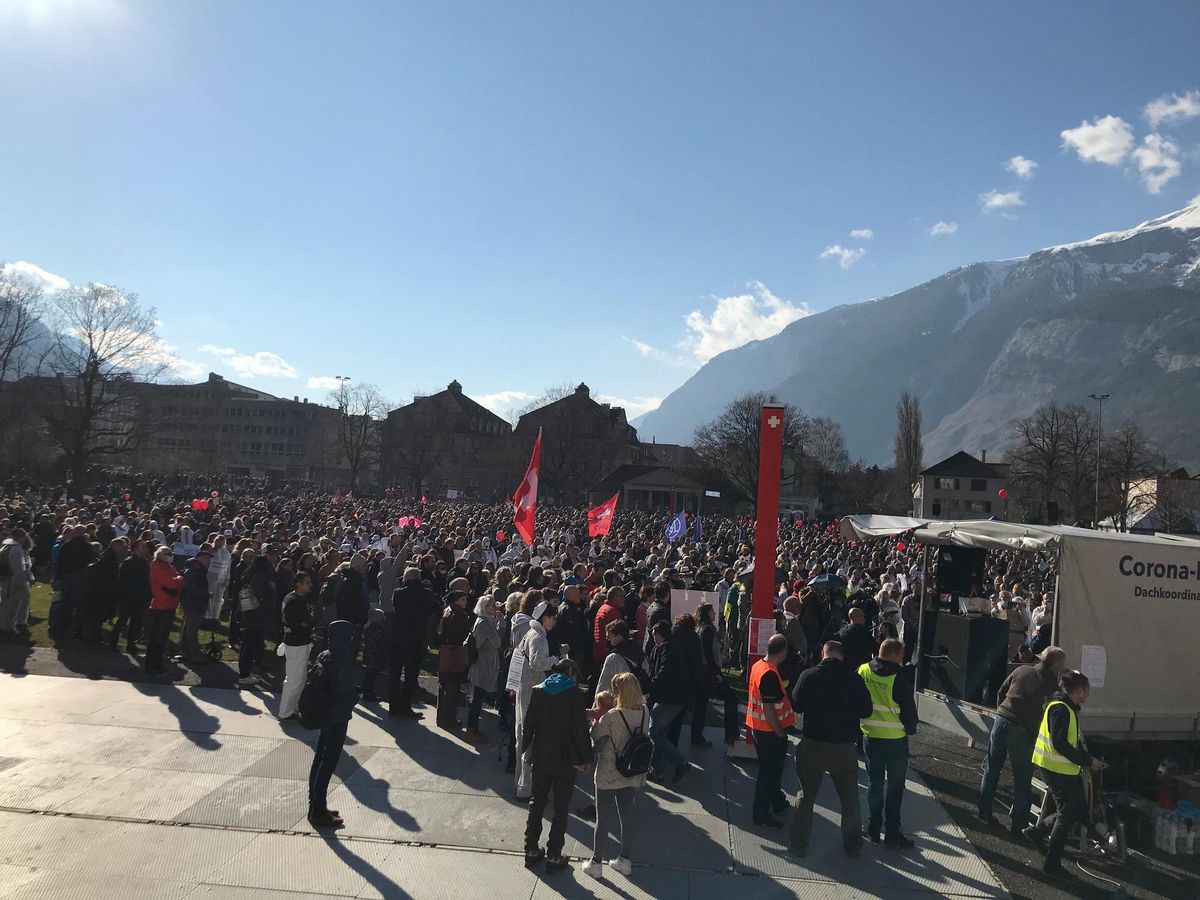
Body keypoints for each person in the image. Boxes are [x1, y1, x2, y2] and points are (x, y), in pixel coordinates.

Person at [789, 640, 872, 858]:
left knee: (806, 797)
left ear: (823, 653)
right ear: (842, 656)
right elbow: (866, 710)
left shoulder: (809, 675)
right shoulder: (854, 679)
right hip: (843, 748)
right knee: (850, 799)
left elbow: (796, 704)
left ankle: (799, 844)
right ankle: (852, 845)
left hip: (813, 744)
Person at [1023, 669, 1107, 878]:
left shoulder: (1066, 706)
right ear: (1079, 690)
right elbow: (1060, 743)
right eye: (1087, 691)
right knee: (1067, 813)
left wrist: (1088, 760)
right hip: (1055, 768)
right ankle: (1051, 864)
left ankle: (1037, 832)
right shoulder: (1061, 709)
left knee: (1075, 807)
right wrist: (1087, 761)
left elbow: (1069, 741)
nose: (1088, 695)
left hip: (1059, 767)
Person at [978, 646, 1067, 834]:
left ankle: (984, 811)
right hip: (1023, 731)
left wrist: (1001, 711)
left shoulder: (1022, 670)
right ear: (1057, 667)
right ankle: (1018, 824)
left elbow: (1001, 692)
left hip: (1001, 720)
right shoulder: (1053, 689)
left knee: (992, 768)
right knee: (1022, 778)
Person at [522, 658, 592, 873]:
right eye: (575, 675)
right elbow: (580, 730)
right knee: (561, 808)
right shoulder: (574, 694)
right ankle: (554, 854)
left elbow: (529, 723)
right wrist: (585, 758)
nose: (575, 679)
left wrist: (526, 749)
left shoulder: (539, 690)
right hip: (566, 758)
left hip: (542, 755)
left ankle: (531, 849)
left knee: (537, 802)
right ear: (570, 671)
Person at [584, 671, 649, 880]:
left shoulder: (612, 716)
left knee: (602, 819)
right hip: (632, 772)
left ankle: (596, 862)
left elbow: (595, 735)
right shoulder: (645, 712)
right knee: (626, 817)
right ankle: (625, 860)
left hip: (609, 772)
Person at [858, 638, 918, 848]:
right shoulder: (898, 677)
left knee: (874, 783)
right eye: (901, 655)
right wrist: (911, 729)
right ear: (893, 654)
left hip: (870, 736)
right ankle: (892, 832)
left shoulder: (863, 670)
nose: (902, 660)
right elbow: (909, 711)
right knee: (895, 787)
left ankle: (873, 829)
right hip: (895, 741)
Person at [308, 619, 358, 829]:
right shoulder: (343, 659)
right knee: (328, 762)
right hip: (337, 716)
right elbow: (346, 690)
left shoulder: (325, 655)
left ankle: (315, 805)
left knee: (320, 758)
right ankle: (318, 811)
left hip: (326, 714)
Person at [509, 601, 560, 799]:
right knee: (531, 738)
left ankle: (520, 782)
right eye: (553, 617)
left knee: (522, 736)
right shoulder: (539, 637)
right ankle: (527, 787)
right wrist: (556, 659)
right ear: (545, 618)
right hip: (532, 691)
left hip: (524, 688)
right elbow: (538, 663)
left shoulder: (531, 633)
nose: (555, 621)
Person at [746, 632, 795, 828]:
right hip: (770, 732)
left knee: (772, 772)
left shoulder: (759, 666)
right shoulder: (770, 675)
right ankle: (761, 814)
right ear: (783, 652)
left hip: (759, 729)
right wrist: (780, 733)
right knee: (769, 773)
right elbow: (769, 708)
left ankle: (777, 802)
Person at [389, 567, 439, 719]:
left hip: (398, 637)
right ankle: (405, 705)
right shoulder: (426, 594)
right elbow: (432, 611)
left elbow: (396, 608)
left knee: (395, 672)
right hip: (417, 638)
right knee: (411, 674)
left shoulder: (398, 593)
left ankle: (393, 704)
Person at [645, 619, 691, 784]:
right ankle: (656, 770)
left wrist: (651, 687)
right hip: (675, 698)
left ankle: (680, 761)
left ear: (659, 634)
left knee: (654, 732)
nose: (653, 638)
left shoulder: (666, 650)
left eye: (655, 635)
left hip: (667, 699)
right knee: (659, 733)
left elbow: (663, 673)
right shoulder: (673, 649)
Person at [278, 571, 315, 720]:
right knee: (293, 679)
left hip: (300, 642)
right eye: (307, 582)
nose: (310, 585)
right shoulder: (293, 600)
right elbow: (295, 623)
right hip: (296, 643)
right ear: (298, 584)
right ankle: (285, 711)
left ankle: (293, 707)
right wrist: (308, 624)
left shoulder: (297, 599)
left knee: (300, 678)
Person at [466, 594, 501, 745]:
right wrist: (498, 625)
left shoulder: (483, 620)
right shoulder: (486, 622)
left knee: (477, 697)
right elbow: (497, 642)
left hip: (484, 662)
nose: (496, 608)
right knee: (477, 698)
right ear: (486, 607)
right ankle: (471, 729)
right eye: (493, 605)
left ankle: (472, 728)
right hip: (483, 663)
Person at [145, 545, 183, 677]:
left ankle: (157, 665)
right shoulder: (159, 567)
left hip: (168, 604)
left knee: (161, 638)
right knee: (158, 639)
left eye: (170, 552)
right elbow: (172, 583)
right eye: (167, 553)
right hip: (162, 606)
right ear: (159, 555)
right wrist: (180, 579)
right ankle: (152, 667)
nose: (170, 555)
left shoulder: (167, 566)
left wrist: (176, 579)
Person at [436, 589, 472, 732]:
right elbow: (459, 635)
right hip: (454, 652)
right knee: (452, 687)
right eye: (463, 599)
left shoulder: (448, 611)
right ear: (456, 600)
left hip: (445, 651)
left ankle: (442, 717)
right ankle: (448, 718)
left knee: (444, 685)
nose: (465, 602)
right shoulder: (459, 614)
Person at [177, 545, 212, 662]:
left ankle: (186, 652)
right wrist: (205, 594)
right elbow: (190, 588)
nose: (209, 561)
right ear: (200, 558)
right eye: (207, 558)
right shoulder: (192, 571)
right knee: (191, 630)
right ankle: (194, 654)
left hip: (195, 603)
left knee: (189, 629)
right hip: (192, 603)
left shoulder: (199, 570)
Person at [0, 528, 34, 636]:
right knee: (12, 605)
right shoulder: (16, 549)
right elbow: (18, 568)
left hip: (6, 578)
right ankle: (7, 628)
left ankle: (9, 625)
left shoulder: (6, 546)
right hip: (13, 579)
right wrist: (22, 582)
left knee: (7, 603)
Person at [360, 607, 388, 703]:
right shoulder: (379, 629)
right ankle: (369, 693)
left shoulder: (369, 628)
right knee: (372, 675)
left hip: (369, 654)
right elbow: (381, 643)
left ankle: (367, 692)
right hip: (375, 655)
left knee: (369, 675)